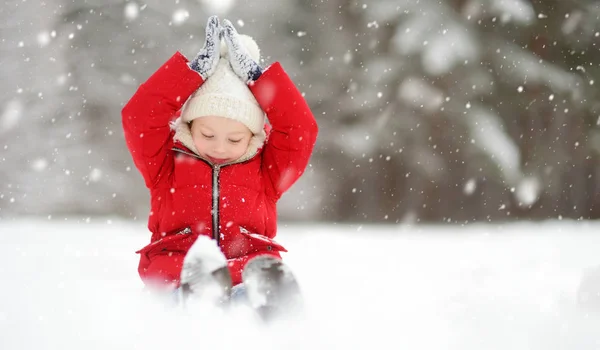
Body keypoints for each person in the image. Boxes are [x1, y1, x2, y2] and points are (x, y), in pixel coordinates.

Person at [121, 15, 318, 308]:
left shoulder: (267, 171)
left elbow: (300, 129)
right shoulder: (165, 165)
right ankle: (198, 299)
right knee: (185, 289)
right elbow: (139, 117)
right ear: (189, 126)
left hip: (243, 274)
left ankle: (269, 309)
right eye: (208, 134)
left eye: (234, 139)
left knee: (250, 288)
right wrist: (192, 74)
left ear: (252, 135)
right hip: (178, 275)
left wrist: (258, 79)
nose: (220, 147)